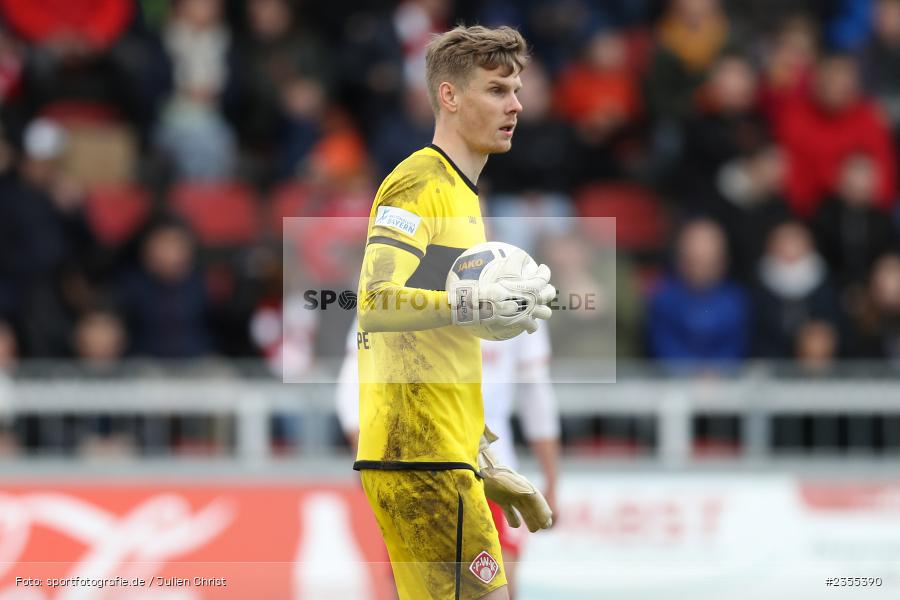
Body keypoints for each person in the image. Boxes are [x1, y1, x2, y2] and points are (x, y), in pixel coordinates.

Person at [351, 25, 555, 600]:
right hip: (418, 458)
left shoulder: (462, 194)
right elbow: (373, 303)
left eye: (516, 89)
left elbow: (426, 347)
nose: (515, 103)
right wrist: (473, 301)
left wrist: (482, 459)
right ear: (449, 96)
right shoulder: (418, 183)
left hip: (442, 456)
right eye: (496, 89)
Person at [336, 320, 561, 600]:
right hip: (413, 464)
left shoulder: (519, 291)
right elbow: (353, 380)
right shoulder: (392, 285)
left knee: (498, 585)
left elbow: (535, 392)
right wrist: (367, 453)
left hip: (489, 469)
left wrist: (551, 478)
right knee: (415, 590)